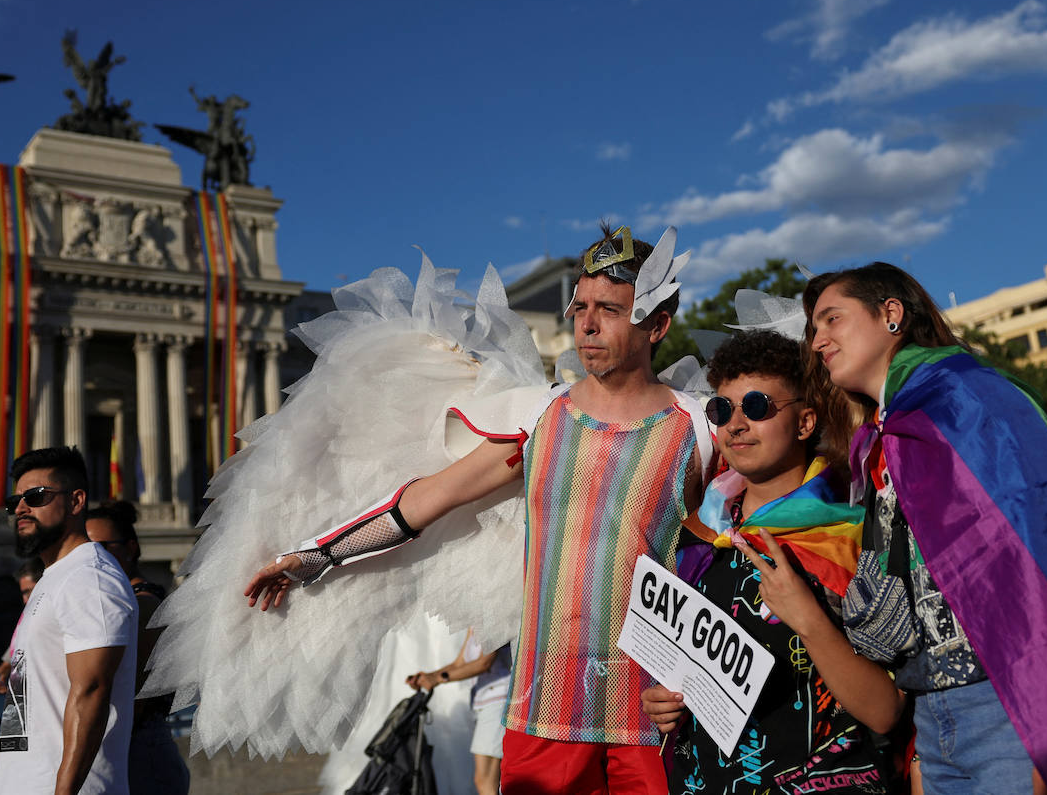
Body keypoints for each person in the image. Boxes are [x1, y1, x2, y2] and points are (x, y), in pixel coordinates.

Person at [236, 224, 711, 794]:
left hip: (656, 718)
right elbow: (425, 500)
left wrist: (699, 680)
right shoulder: (538, 418)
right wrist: (317, 555)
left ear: (656, 325)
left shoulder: (706, 427)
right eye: (579, 306)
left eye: (609, 309)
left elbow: (737, 559)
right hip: (545, 713)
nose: (585, 324)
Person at [801, 262, 1047, 793]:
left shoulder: (967, 399)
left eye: (831, 320)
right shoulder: (878, 441)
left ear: (891, 314)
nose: (818, 340)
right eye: (814, 328)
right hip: (933, 722)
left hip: (1010, 708)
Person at [641, 327, 904, 793]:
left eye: (758, 407)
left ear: (805, 423)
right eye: (721, 410)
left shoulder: (852, 536)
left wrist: (809, 619)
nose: (736, 424)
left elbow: (886, 711)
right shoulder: (699, 537)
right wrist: (664, 701)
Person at [0, 446, 137, 795]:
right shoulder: (54, 577)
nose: (22, 508)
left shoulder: (90, 578)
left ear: (76, 502)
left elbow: (91, 690)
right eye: (16, 502)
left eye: (36, 496)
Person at [85, 501, 191, 795]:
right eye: (87, 549)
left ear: (130, 548)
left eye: (105, 546)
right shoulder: (119, 599)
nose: (95, 558)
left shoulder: (142, 603)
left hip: (139, 747)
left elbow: (135, 694)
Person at [405, 628, 513, 795]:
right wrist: (428, 676)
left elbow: (483, 663)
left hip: (497, 702)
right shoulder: (474, 628)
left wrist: (439, 678)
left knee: (485, 780)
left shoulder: (494, 620)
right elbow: (459, 663)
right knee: (490, 780)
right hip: (484, 705)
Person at [0, 558, 45, 695]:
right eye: (23, 593)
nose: (25, 600)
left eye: (28, 591)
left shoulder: (52, 611)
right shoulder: (30, 614)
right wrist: (4, 668)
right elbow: (22, 640)